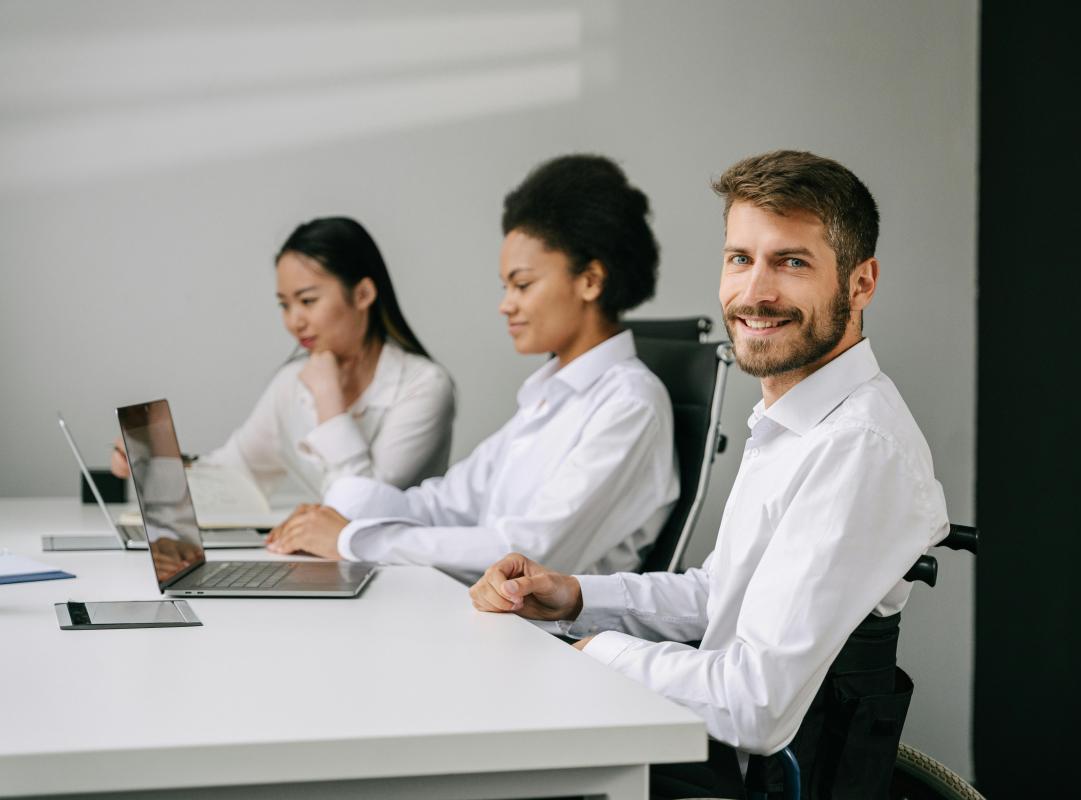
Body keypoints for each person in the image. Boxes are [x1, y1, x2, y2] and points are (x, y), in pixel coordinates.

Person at [469, 150, 951, 798]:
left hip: (753, 782)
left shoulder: (856, 448)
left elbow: (754, 705)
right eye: (739, 258)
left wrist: (592, 655)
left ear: (861, 283)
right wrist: (575, 598)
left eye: (791, 262)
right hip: (712, 758)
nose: (754, 292)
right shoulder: (794, 418)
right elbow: (720, 594)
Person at [264, 155, 680, 585]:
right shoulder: (548, 397)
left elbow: (528, 552)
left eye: (522, 285)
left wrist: (354, 540)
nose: (506, 304)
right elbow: (445, 503)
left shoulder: (630, 405)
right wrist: (338, 511)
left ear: (590, 280)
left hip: (548, 641)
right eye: (505, 288)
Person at [111, 217, 455, 499]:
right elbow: (234, 475)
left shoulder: (425, 386)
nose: (294, 321)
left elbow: (359, 508)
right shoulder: (291, 383)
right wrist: (156, 464)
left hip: (405, 573)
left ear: (363, 294)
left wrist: (328, 398)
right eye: (284, 305)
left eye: (307, 301)